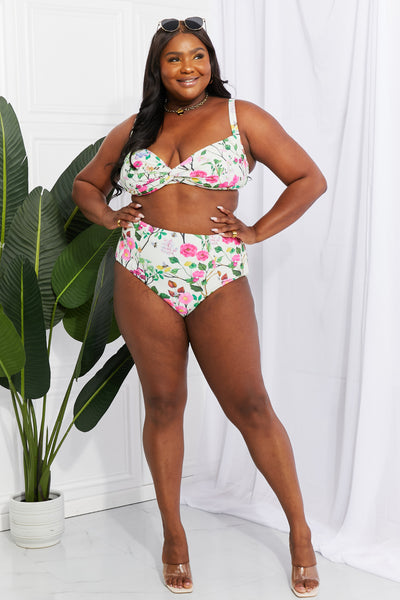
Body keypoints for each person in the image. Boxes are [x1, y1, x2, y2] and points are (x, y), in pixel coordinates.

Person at [72, 16, 327, 597]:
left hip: (215, 272)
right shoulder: (136, 127)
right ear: (158, 67)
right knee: (164, 403)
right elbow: (86, 184)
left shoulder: (243, 118)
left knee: (251, 404)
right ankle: (174, 536)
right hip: (142, 269)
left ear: (211, 62)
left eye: (198, 56)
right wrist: (109, 216)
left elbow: (308, 179)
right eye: (174, 58)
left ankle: (301, 532)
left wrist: (256, 231)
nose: (188, 67)